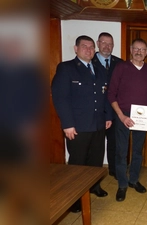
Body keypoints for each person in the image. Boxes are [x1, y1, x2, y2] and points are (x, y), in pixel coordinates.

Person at [51, 35, 113, 212]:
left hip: (98, 124)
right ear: (76, 49)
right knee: (78, 162)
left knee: (96, 158)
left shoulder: (100, 69)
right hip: (77, 126)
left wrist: (108, 116)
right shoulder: (66, 68)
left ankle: (94, 187)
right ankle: (75, 198)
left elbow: (105, 95)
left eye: (92, 47)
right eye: (85, 46)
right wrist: (67, 124)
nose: (89, 50)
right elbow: (60, 98)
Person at [107, 38, 147, 202]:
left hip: (141, 115)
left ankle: (133, 180)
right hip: (123, 114)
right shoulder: (121, 67)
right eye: (136, 49)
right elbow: (111, 94)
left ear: (146, 53)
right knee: (121, 152)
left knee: (137, 151)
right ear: (130, 49)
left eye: (142, 50)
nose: (139, 52)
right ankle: (122, 184)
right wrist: (121, 116)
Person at [92, 32, 123, 179]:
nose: (107, 46)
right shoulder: (89, 61)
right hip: (95, 111)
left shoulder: (120, 63)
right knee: (96, 146)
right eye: (104, 43)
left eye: (110, 43)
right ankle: (94, 175)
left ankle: (114, 170)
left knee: (114, 143)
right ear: (98, 44)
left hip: (115, 111)